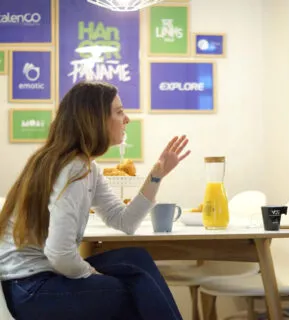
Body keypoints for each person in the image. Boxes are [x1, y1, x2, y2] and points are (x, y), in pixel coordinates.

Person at [0, 81, 190, 320]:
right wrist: (91, 272)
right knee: (136, 293)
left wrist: (156, 175)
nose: (127, 119)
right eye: (119, 112)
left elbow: (125, 222)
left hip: (36, 278)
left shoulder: (84, 166)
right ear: (95, 119)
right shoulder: (74, 169)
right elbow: (59, 254)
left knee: (136, 258)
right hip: (29, 288)